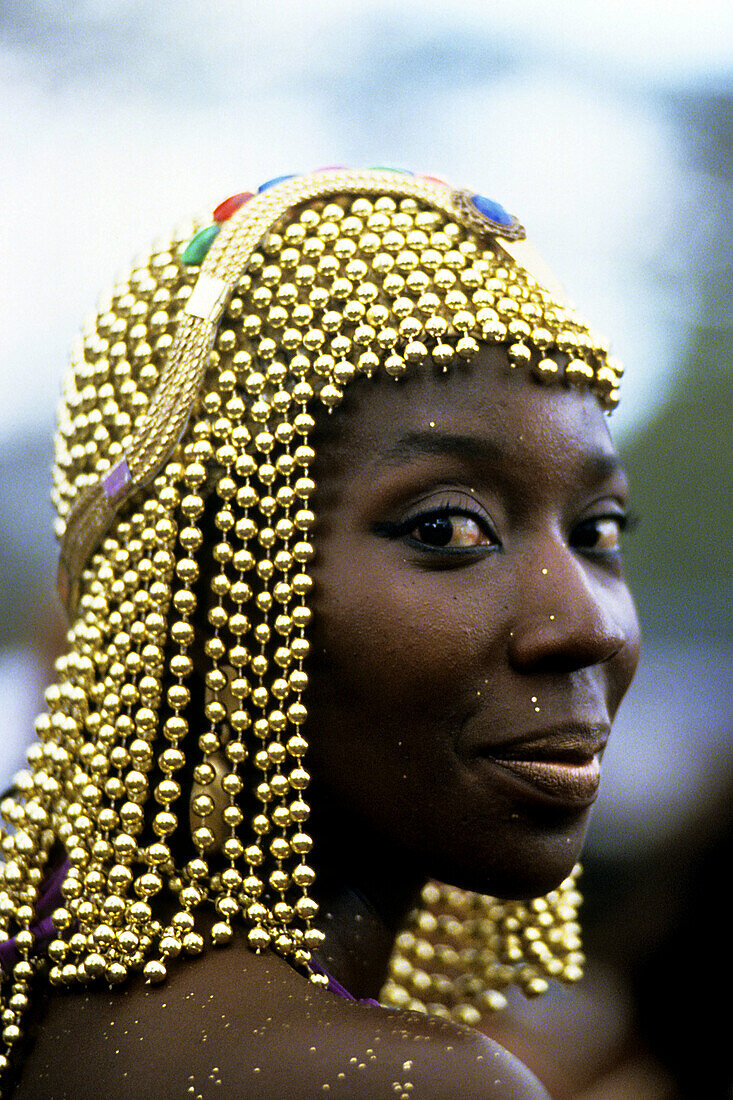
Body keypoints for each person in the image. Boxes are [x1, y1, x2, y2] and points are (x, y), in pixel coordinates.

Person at [0, 168, 640, 1098]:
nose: (588, 626)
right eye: (446, 528)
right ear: (208, 589)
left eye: (599, 531)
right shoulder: (401, 1083)